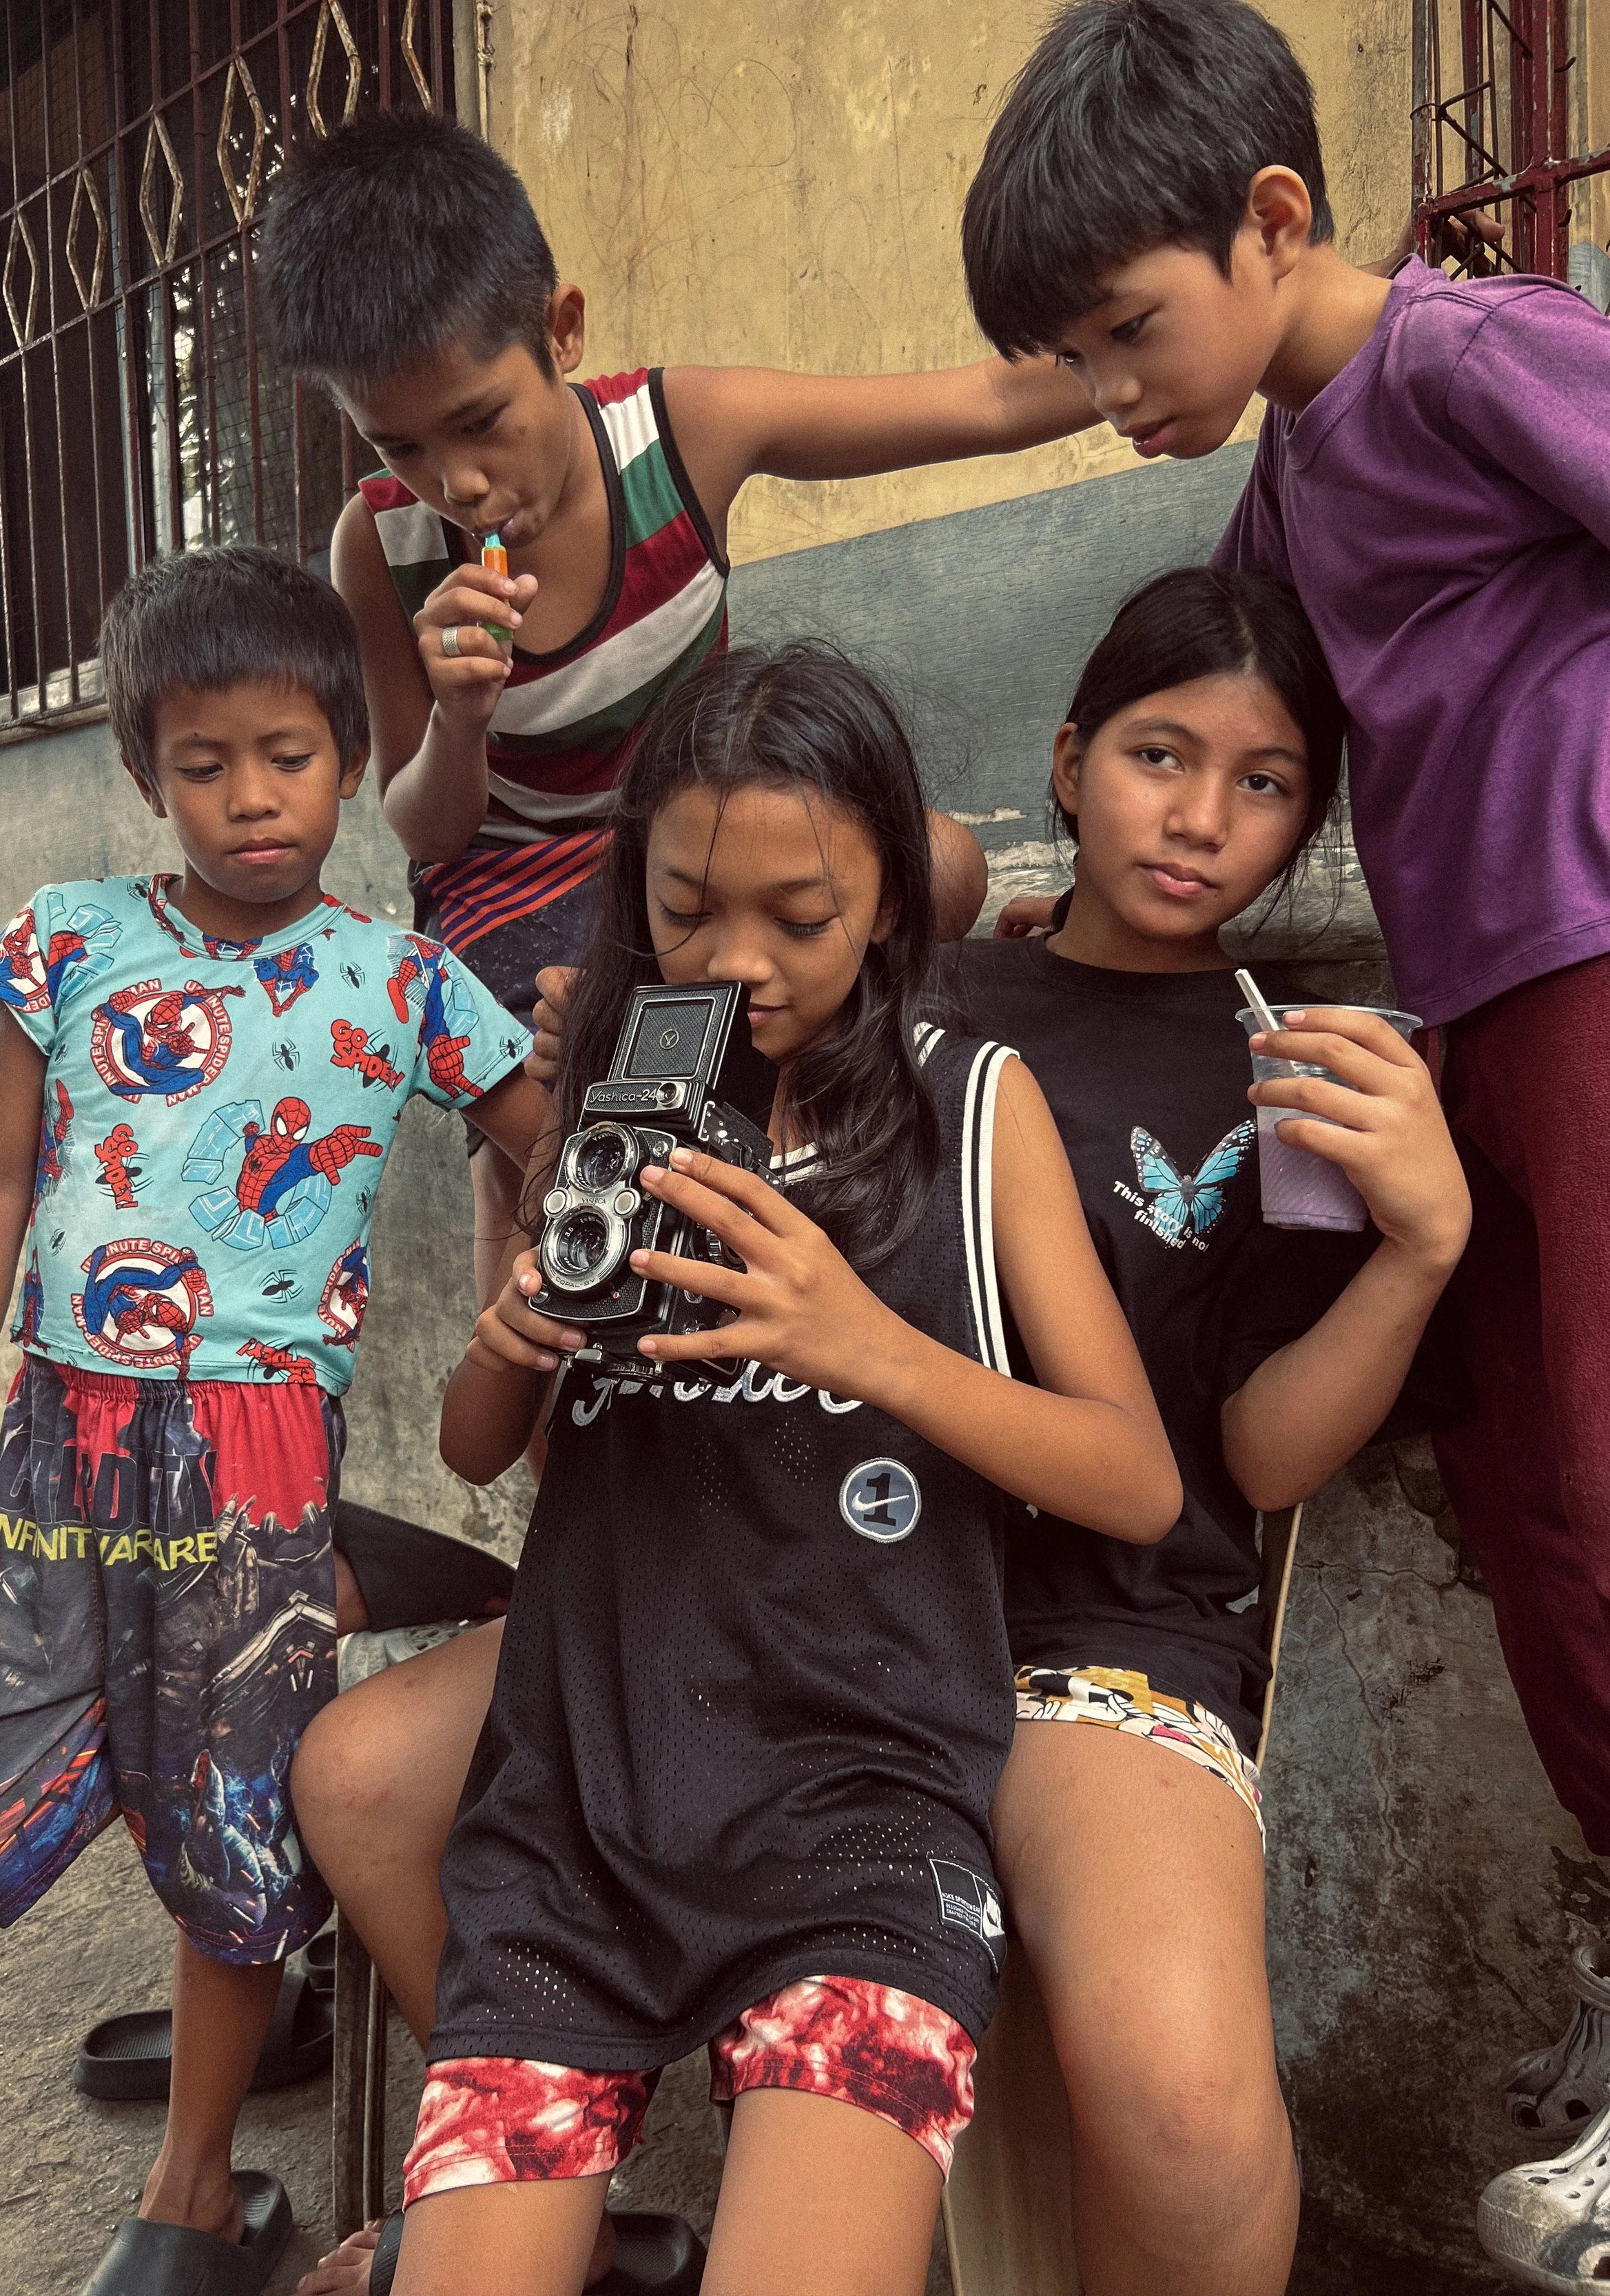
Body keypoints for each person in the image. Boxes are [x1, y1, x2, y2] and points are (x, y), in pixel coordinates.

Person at [961, 2, 1610, 2275]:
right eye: (1074, 352)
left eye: (1130, 328)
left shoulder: (1455, 356)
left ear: (1273, 222)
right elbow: (1241, 694)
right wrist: (1079, 879)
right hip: (1477, 1005)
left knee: (1609, 1477)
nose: (1115, 389)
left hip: (1595, 952)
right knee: (1534, 1486)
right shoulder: (1293, 470)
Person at [292, 639, 1181, 2296]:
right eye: (686, 906)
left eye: (803, 917)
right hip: (579, 1809)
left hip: (861, 1810)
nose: (737, 961)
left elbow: (1133, 1480)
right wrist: (519, 1303)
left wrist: (865, 1342)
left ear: (889, 914)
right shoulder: (616, 1110)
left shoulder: (968, 1109)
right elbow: (503, 1448)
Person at [0, 547, 546, 2296]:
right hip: (65, 1435)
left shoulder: (401, 979)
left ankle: (193, 2193)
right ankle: (271, 1977)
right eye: (205, 764)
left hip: (258, 1449)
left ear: (351, 757)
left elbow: (551, 1128)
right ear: (143, 772)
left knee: (225, 1821)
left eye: (288, 755)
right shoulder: (70, 940)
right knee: (16, 1786)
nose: (252, 799)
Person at [254, 107, 1105, 1316]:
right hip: (514, 893)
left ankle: (818, 1189)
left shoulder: (678, 437)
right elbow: (429, 835)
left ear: (563, 330)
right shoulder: (378, 544)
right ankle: (549, 1304)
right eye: (402, 446)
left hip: (694, 849)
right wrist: (460, 720)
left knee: (944, 868)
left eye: (482, 420)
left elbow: (981, 401)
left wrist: (1190, 354)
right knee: (560, 1059)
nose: (461, 483)